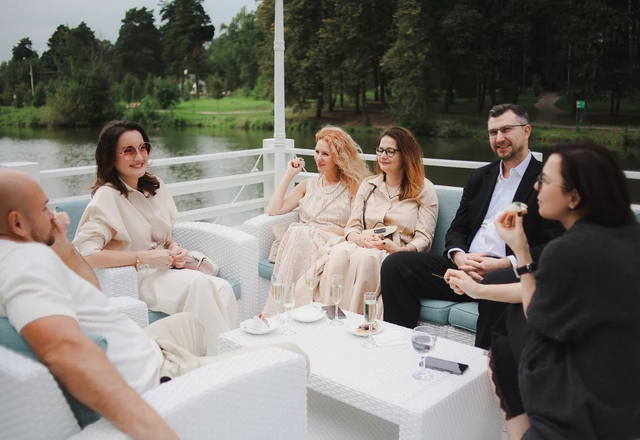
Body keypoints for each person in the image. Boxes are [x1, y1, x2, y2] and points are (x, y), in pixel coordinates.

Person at [0, 169, 310, 439]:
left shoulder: (19, 252)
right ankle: (216, 385)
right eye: (44, 209)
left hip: (145, 346)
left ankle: (223, 374)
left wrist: (62, 242)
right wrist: (156, 430)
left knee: (195, 324)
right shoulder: (26, 263)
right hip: (157, 374)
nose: (53, 214)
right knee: (294, 355)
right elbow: (63, 351)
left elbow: (92, 292)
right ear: (17, 222)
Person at [447, 142, 640, 439]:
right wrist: (487, 280)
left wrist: (519, 252)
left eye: (545, 180)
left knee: (503, 338)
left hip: (585, 395)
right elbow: (546, 294)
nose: (536, 186)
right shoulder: (626, 236)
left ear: (574, 196)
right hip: (625, 381)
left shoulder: (569, 250)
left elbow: (538, 315)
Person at [380, 104, 563, 348]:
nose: (499, 138)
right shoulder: (479, 177)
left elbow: (553, 244)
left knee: (496, 279)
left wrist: (502, 264)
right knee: (396, 264)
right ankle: (400, 348)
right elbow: (457, 229)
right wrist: (460, 257)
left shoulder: (546, 181)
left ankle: (482, 369)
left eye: (506, 130)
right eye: (493, 132)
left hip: (507, 272)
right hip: (463, 269)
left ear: (526, 131)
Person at [73, 120, 235, 355]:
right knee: (198, 284)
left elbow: (167, 237)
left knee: (222, 289)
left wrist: (176, 248)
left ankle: (219, 354)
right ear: (111, 156)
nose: (139, 156)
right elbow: (86, 254)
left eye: (143, 147)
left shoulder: (155, 186)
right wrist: (144, 257)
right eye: (128, 150)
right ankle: (222, 363)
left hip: (168, 269)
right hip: (136, 276)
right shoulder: (107, 197)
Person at [313, 126, 438, 315]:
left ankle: (357, 321)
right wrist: (360, 239)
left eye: (390, 151)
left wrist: (400, 250)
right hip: (364, 243)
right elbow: (352, 227)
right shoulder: (368, 185)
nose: (383, 156)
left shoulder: (424, 189)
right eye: (380, 150)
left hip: (397, 251)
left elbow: (424, 238)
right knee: (338, 254)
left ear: (406, 154)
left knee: (368, 258)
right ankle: (330, 318)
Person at [264, 125, 369, 315]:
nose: (318, 158)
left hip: (332, 243)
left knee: (300, 232)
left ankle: (282, 310)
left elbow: (355, 228)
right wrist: (289, 175)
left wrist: (317, 231)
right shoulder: (308, 185)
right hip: (302, 241)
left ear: (339, 157)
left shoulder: (353, 187)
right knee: (298, 233)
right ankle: (290, 310)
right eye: (317, 152)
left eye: (325, 154)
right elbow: (273, 209)